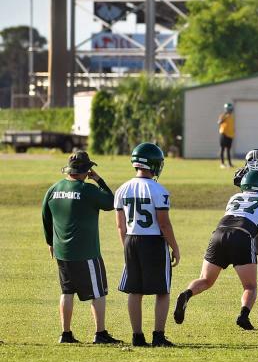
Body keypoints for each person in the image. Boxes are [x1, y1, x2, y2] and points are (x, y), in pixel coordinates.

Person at [174, 170, 258, 330]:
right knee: (250, 286)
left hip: (218, 234)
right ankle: (243, 316)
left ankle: (186, 294)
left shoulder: (234, 198)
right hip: (242, 235)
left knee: (206, 280)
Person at [41, 151, 122, 344]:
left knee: (67, 292)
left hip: (62, 252)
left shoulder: (53, 189)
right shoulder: (88, 190)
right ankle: (100, 333)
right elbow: (112, 202)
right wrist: (99, 180)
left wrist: (50, 242)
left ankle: (66, 334)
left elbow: (45, 217)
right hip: (87, 253)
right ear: (86, 170)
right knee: (98, 292)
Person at [114, 143, 180, 347]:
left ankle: (137, 336)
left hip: (131, 240)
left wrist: (125, 247)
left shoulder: (122, 189)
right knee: (162, 291)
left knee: (135, 291)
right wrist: (175, 248)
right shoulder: (158, 190)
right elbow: (163, 223)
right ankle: (158, 336)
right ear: (153, 164)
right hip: (153, 241)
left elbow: (120, 226)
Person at [217, 103, 235, 169]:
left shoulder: (231, 117)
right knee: (222, 149)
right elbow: (219, 122)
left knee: (228, 150)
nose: (230, 111)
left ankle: (229, 164)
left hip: (230, 135)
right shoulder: (223, 116)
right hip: (223, 134)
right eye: (229, 109)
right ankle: (222, 163)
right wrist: (224, 118)